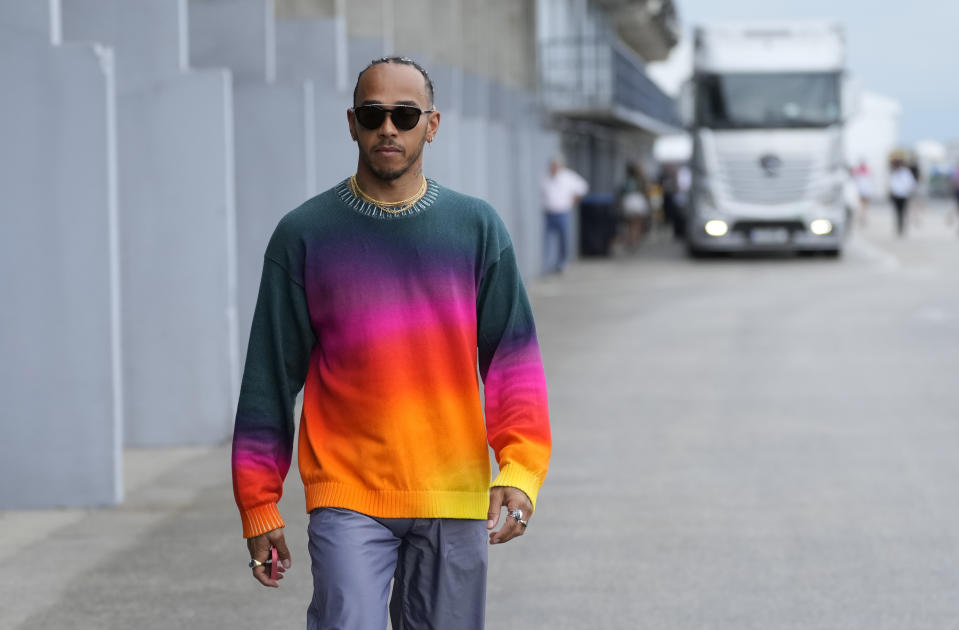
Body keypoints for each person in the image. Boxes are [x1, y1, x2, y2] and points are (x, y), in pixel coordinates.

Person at [232, 56, 551, 630]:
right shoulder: (304, 233)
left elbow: (513, 359)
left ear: (431, 125)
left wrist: (519, 471)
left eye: (404, 115)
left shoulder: (476, 228)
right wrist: (258, 502)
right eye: (374, 114)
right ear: (351, 123)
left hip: (453, 492)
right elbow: (269, 378)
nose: (388, 128)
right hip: (348, 492)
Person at [540, 155, 588, 273]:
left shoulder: (568, 177)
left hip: (563, 212)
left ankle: (562, 263)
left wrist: (573, 201)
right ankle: (548, 264)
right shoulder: (546, 178)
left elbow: (583, 187)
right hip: (549, 213)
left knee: (563, 239)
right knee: (548, 240)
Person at [618, 162, 651, 249]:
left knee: (629, 224)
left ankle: (629, 240)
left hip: (628, 201)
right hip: (638, 201)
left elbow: (622, 192)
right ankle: (634, 240)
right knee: (637, 224)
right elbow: (646, 191)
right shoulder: (641, 180)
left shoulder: (626, 180)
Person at [889, 157, 917, 237]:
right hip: (896, 195)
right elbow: (891, 184)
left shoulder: (905, 172)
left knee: (903, 212)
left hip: (904, 195)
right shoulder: (894, 172)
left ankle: (902, 226)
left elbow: (910, 183)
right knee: (898, 212)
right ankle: (899, 226)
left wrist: (908, 190)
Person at [852, 159, 873, 225]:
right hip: (862, 190)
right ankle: (862, 215)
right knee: (863, 205)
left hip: (863, 190)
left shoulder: (859, 172)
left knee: (863, 205)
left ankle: (862, 216)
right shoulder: (864, 172)